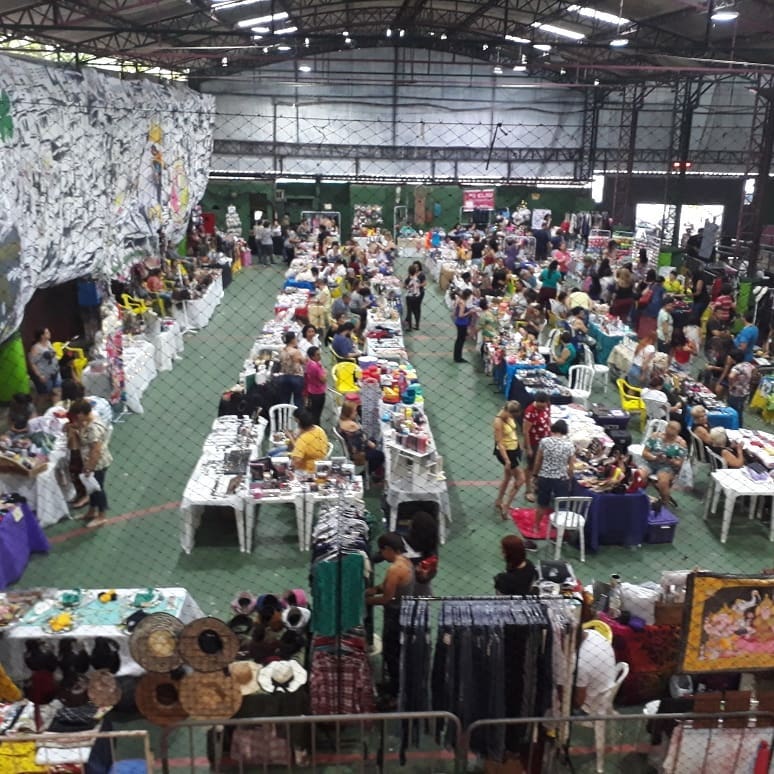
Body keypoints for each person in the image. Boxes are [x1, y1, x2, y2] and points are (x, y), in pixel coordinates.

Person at [365, 532, 415, 704]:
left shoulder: (394, 569)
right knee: (395, 651)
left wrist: (366, 601)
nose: (381, 555)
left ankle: (395, 693)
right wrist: (374, 590)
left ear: (387, 549)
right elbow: (387, 586)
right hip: (404, 611)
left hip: (395, 614)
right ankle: (394, 685)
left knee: (391, 653)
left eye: (382, 551)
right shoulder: (406, 562)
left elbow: (387, 598)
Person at [68, 398, 113, 528]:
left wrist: (89, 467)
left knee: (98, 489)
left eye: (77, 415)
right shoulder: (89, 421)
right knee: (91, 488)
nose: (76, 418)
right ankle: (92, 511)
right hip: (90, 461)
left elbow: (96, 450)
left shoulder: (93, 428)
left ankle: (102, 516)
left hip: (97, 463)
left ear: (82, 413)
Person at [532, 420, 576, 538]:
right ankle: (559, 530)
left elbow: (538, 461)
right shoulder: (569, 445)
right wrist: (569, 479)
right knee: (561, 506)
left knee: (542, 504)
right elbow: (571, 466)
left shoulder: (544, 442)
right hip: (561, 479)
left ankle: (536, 526)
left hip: (545, 477)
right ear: (565, 431)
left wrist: (535, 475)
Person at [639, 420, 687, 507]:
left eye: (673, 429)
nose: (670, 430)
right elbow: (644, 453)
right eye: (669, 427)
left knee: (663, 482)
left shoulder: (681, 444)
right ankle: (638, 496)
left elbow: (679, 463)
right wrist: (655, 457)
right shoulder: (655, 436)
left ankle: (664, 502)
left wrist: (671, 460)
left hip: (667, 467)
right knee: (639, 475)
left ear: (677, 432)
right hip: (650, 462)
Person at [493, 401, 525, 520]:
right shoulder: (498, 422)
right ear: (508, 411)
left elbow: (512, 432)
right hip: (506, 453)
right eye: (512, 415)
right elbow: (500, 443)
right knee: (520, 479)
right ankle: (506, 507)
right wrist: (507, 460)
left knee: (507, 477)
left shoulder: (508, 415)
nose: (512, 418)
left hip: (513, 449)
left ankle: (499, 500)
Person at [338, 400, 385, 480]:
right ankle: (364, 474)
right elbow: (363, 441)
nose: (356, 413)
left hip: (348, 449)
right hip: (357, 455)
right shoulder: (352, 426)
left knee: (373, 441)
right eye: (354, 411)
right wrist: (372, 444)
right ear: (349, 413)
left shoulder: (340, 421)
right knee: (380, 455)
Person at [522, 392, 552, 505]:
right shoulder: (530, 412)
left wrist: (551, 435)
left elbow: (548, 419)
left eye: (544, 406)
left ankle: (536, 485)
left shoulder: (547, 406)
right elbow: (525, 431)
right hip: (534, 442)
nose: (542, 409)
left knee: (541, 464)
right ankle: (528, 490)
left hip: (545, 441)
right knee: (530, 467)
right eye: (540, 407)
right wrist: (528, 447)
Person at [406, 510, 439, 596]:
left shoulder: (431, 553)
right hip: (421, 591)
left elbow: (430, 574)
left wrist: (424, 575)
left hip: (410, 588)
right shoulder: (432, 548)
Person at [287, 408, 329, 473]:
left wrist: (291, 437)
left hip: (307, 471)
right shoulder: (320, 430)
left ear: (298, 421)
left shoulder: (303, 439)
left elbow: (296, 461)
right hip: (322, 467)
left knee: (279, 456)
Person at [28, 327, 61, 408]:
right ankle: (37, 411)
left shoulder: (48, 343)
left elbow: (52, 355)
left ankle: (56, 409)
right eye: (47, 332)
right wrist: (39, 375)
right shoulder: (36, 347)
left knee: (57, 391)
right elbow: (32, 363)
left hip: (55, 371)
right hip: (44, 374)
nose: (49, 333)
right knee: (44, 395)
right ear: (42, 336)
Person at [727, 348, 755, 426]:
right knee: (740, 409)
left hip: (736, 392)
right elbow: (754, 372)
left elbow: (731, 376)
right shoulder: (748, 364)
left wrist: (731, 385)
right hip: (745, 390)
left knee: (733, 409)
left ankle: (734, 425)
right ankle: (739, 425)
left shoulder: (736, 368)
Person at [277, 331, 306, 408]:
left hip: (284, 377)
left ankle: (285, 413)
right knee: (298, 400)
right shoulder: (296, 352)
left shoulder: (281, 350)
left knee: (285, 399)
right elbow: (303, 362)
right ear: (292, 340)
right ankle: (298, 413)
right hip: (296, 377)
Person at [304, 347, 327, 426]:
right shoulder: (316, 367)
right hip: (319, 393)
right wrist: (325, 372)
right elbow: (323, 379)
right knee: (317, 414)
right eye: (317, 355)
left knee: (312, 412)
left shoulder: (309, 364)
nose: (320, 356)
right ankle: (316, 428)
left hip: (311, 391)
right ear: (312, 356)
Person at [452, 288, 475, 363]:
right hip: (462, 323)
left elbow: (455, 311)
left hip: (459, 322)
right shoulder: (462, 303)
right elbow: (460, 315)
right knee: (461, 340)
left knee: (459, 340)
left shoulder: (459, 300)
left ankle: (457, 356)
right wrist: (469, 312)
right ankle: (458, 358)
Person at [403, 263, 425, 331]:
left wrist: (404, 284)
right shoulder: (417, 279)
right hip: (417, 296)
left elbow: (405, 287)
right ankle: (417, 325)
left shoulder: (408, 279)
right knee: (417, 310)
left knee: (409, 311)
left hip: (410, 297)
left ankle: (409, 326)